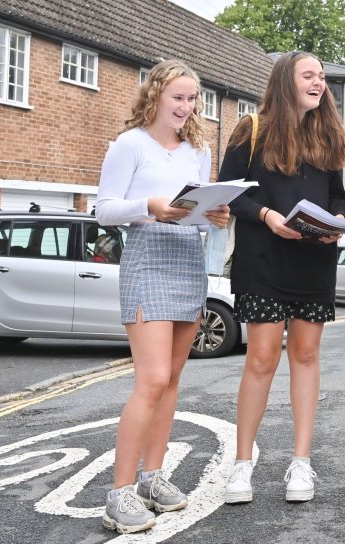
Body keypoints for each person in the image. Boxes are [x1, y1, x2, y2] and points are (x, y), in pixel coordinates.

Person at [95, 59, 230, 534]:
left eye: (193, 99)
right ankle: (119, 494)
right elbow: (103, 210)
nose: (186, 106)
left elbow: (198, 208)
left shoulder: (198, 149)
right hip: (148, 257)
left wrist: (215, 216)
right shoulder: (129, 144)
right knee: (150, 379)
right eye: (179, 97)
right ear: (155, 95)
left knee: (171, 379)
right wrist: (149, 207)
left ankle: (152, 478)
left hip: (188, 259)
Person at [218, 51, 345, 504]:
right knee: (261, 359)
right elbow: (230, 195)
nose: (319, 82)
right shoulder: (250, 130)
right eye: (309, 75)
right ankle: (241, 465)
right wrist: (269, 215)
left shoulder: (330, 134)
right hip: (263, 261)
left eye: (322, 76)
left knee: (307, 356)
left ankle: (301, 463)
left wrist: (336, 224)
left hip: (314, 260)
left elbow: (338, 198)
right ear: (285, 81)